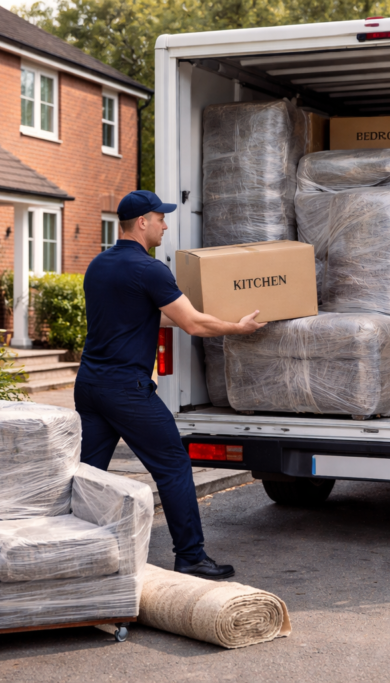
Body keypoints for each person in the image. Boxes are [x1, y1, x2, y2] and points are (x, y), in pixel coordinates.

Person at [76, 190, 265, 580]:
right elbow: (193, 324)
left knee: (87, 472)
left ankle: (73, 548)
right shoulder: (149, 269)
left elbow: (142, 318)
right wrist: (237, 327)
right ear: (142, 222)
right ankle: (191, 556)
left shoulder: (98, 266)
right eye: (160, 217)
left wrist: (193, 314)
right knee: (175, 467)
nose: (165, 224)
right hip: (126, 390)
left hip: (90, 384)